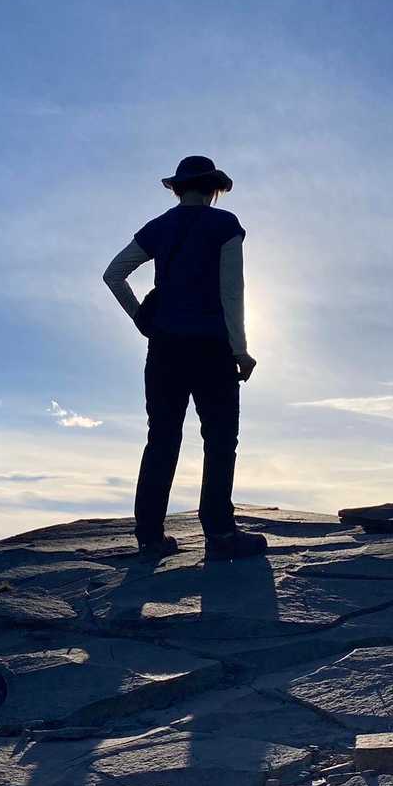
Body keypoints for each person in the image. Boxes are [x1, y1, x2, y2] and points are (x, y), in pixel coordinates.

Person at [102, 155, 269, 562]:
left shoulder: (158, 227)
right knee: (220, 440)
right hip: (212, 349)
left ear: (178, 188)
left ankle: (149, 538)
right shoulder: (225, 225)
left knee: (161, 439)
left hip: (164, 349)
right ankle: (220, 534)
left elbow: (114, 274)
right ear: (214, 188)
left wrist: (142, 319)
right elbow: (232, 292)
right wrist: (241, 349)